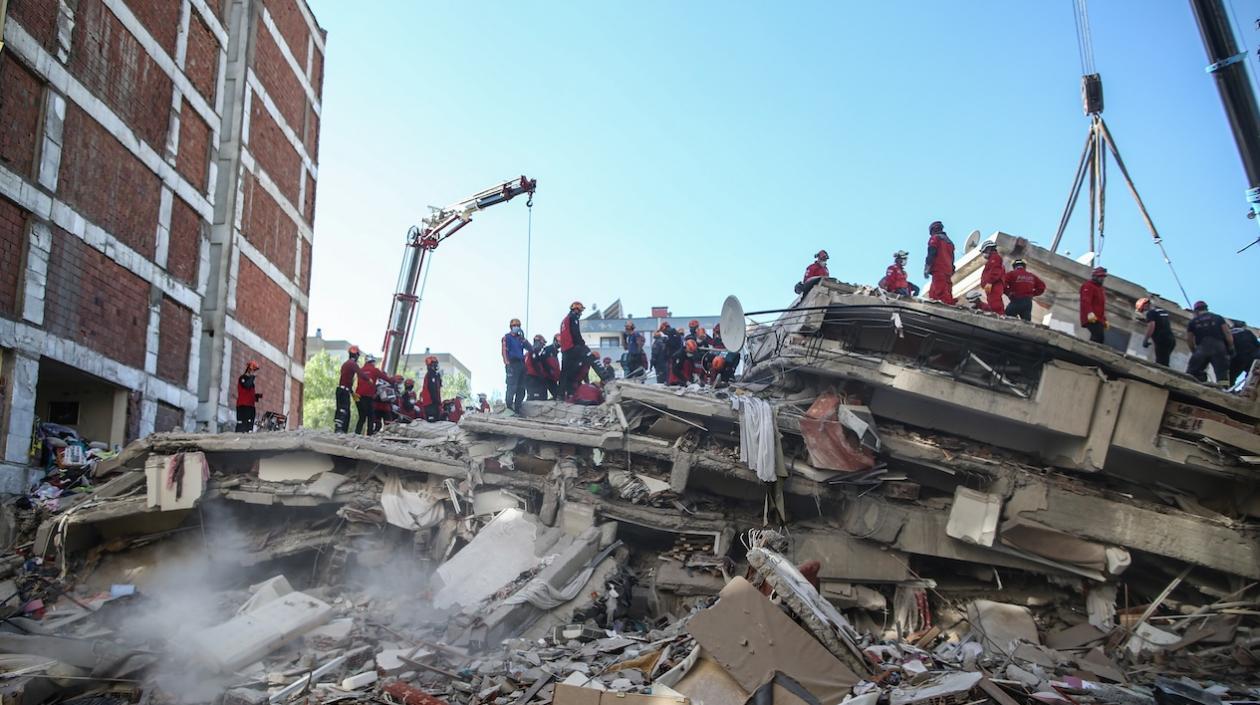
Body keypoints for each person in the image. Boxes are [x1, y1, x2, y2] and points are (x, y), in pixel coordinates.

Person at [1185, 301, 1235, 384]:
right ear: (1206, 308)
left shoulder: (1193, 322)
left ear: (1196, 311)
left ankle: (1189, 385)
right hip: (1219, 347)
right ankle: (1223, 388)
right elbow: (1227, 333)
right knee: (1222, 374)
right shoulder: (1218, 318)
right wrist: (1231, 347)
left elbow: (1189, 339)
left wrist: (1194, 351)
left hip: (1202, 348)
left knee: (1192, 372)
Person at [558, 301, 589, 400]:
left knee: (565, 372)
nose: (580, 313)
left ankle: (561, 394)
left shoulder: (564, 320)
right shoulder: (573, 318)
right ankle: (604, 376)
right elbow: (575, 333)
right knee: (587, 356)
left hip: (565, 350)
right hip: (571, 347)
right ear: (576, 309)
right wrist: (582, 344)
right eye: (580, 311)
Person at [1136, 298, 1175, 367]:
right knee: (1164, 361)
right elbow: (1161, 323)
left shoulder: (1150, 313)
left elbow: (1151, 326)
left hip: (1162, 340)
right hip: (1171, 340)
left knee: (1160, 364)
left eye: (1142, 310)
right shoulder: (1162, 311)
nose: (1143, 312)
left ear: (1145, 305)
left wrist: (1145, 340)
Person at [924, 222, 956, 304]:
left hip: (938, 269)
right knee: (935, 292)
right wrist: (952, 269)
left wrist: (927, 267)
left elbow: (931, 252)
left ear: (932, 231)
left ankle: (947, 305)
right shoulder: (949, 242)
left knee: (941, 291)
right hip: (947, 270)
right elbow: (952, 258)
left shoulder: (935, 238)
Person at [502, 318, 528, 413]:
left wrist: (523, 338)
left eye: (518, 326)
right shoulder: (507, 337)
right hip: (512, 364)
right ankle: (509, 407)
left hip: (521, 364)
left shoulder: (520, 339)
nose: (516, 327)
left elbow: (530, 348)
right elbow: (504, 351)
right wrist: (507, 364)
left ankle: (517, 408)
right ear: (511, 327)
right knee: (512, 386)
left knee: (521, 388)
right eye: (514, 326)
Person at [334, 346, 360, 433]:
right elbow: (361, 373)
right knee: (344, 409)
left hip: (341, 390)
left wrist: (352, 393)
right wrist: (369, 380)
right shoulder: (352, 364)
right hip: (344, 391)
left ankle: (340, 429)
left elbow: (346, 381)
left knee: (343, 410)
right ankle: (339, 429)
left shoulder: (346, 364)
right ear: (356, 355)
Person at [1080, 266, 1108, 343]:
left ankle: (1089, 347)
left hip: (1099, 319)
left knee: (1099, 338)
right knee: (1098, 336)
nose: (1102, 278)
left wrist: (1104, 320)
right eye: (1100, 276)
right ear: (1095, 276)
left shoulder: (1100, 289)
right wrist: (1089, 313)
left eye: (1103, 277)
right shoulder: (1088, 286)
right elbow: (1085, 300)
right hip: (1091, 317)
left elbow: (1101, 307)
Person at [354, 355, 381, 435]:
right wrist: (392, 381)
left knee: (362, 416)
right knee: (371, 416)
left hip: (357, 396)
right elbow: (384, 377)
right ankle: (369, 434)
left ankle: (357, 433)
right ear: (372, 362)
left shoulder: (361, 370)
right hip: (367, 396)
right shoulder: (375, 370)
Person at [979, 241, 1006, 313]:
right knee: (992, 301)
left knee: (995, 302)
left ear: (988, 249)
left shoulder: (995, 258)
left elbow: (995, 271)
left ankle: (999, 315)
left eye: (984, 251)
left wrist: (989, 282)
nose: (984, 254)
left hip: (994, 285)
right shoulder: (992, 259)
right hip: (991, 285)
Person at [235, 360, 261, 432]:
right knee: (242, 425)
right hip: (243, 406)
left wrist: (256, 396)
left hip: (250, 406)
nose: (255, 372)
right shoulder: (243, 378)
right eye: (254, 370)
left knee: (250, 425)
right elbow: (246, 385)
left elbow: (248, 392)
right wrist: (253, 377)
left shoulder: (251, 382)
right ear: (249, 370)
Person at [419, 355, 443, 420]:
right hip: (430, 404)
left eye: (436, 363)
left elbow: (437, 389)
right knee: (432, 421)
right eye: (434, 364)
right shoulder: (430, 375)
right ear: (430, 365)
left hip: (434, 403)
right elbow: (432, 390)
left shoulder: (436, 375)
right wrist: (436, 402)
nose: (436, 365)